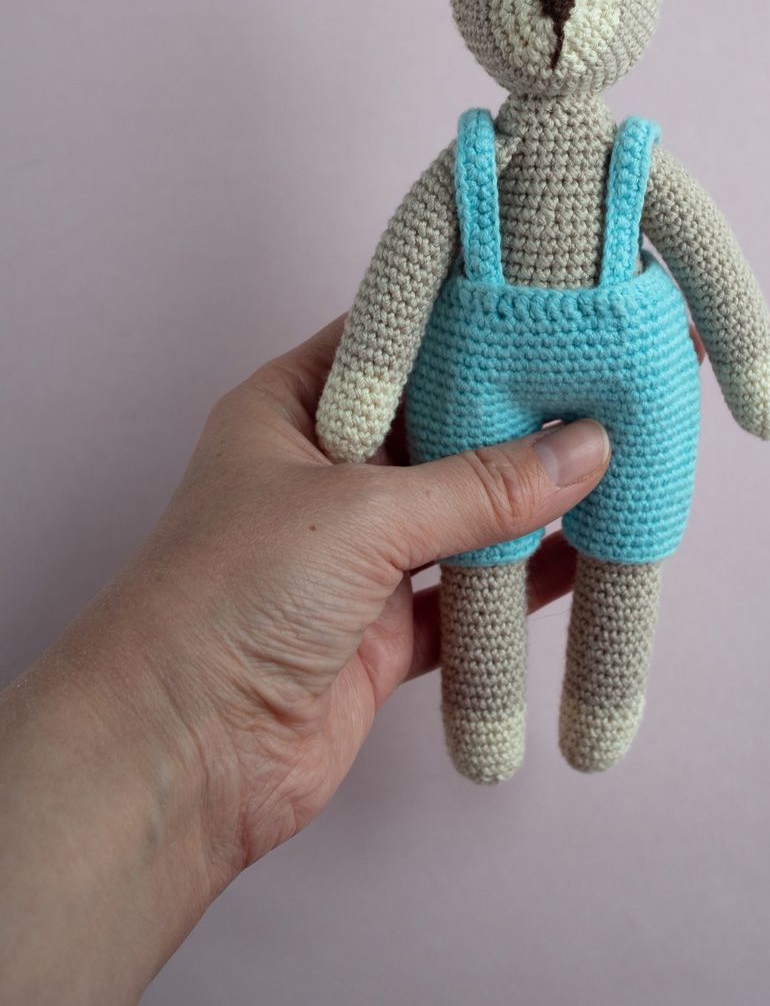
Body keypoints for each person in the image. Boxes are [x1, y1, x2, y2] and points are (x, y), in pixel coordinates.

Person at [0, 318, 611, 1006]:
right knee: (483, 569)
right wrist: (364, 385)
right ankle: (490, 715)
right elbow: (399, 293)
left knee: (625, 541)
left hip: (593, 350)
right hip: (479, 363)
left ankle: (598, 703)